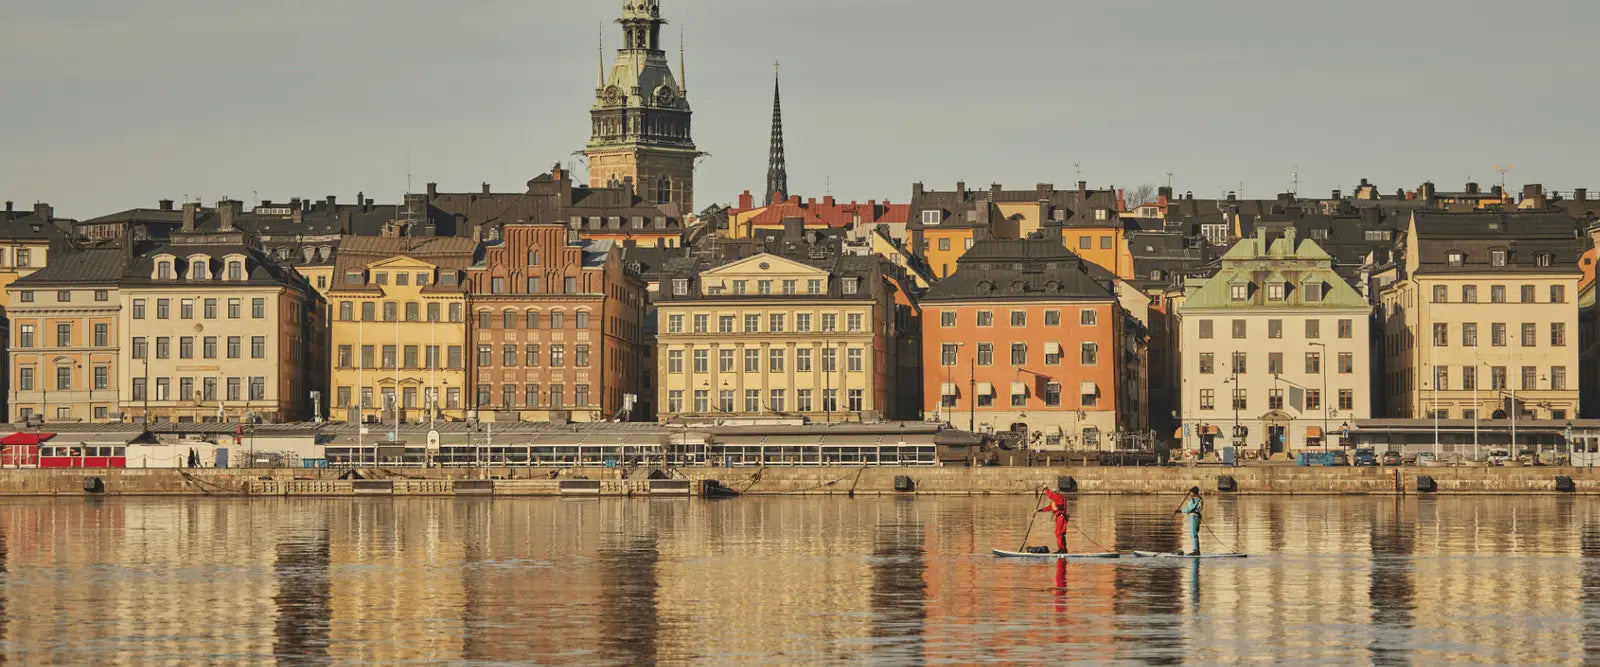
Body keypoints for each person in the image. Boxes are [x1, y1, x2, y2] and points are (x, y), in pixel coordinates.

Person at [1038, 486, 1071, 553]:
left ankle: (1062, 549)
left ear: (1056, 492)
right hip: (1060, 518)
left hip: (1061, 518)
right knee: (1060, 534)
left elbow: (1050, 495)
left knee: (1059, 533)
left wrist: (1046, 489)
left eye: (1054, 492)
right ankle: (1063, 549)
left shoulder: (1059, 497)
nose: (1053, 493)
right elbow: (1049, 508)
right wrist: (1040, 510)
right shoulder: (1056, 501)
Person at [1173, 486, 1203, 555]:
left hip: (1194, 517)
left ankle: (1196, 551)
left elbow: (1189, 509)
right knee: (1195, 534)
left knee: (1193, 534)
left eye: (1191, 492)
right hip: (1196, 517)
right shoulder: (1198, 499)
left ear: (1194, 493)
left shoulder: (1195, 500)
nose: (1190, 494)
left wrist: (1180, 511)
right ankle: (1197, 550)